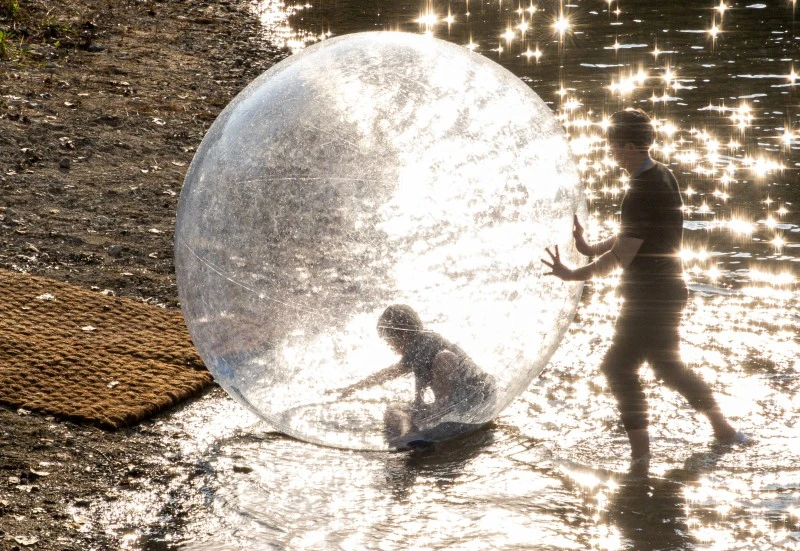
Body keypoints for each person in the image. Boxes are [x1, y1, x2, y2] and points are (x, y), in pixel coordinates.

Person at [542, 108, 743, 470]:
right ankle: (724, 430)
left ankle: (640, 461)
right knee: (667, 366)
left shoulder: (639, 191)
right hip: (668, 291)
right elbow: (632, 235)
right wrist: (590, 247)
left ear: (631, 146)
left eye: (615, 146)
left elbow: (622, 256)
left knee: (617, 369)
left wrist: (572, 274)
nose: (611, 152)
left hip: (648, 299)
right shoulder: (661, 174)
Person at [338, 304, 496, 444]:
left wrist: (353, 388)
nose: (390, 346)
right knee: (393, 409)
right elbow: (389, 373)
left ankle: (433, 423)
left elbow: (394, 373)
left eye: (389, 340)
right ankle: (410, 434)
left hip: (474, 397)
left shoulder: (428, 342)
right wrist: (354, 387)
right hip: (456, 404)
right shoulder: (415, 350)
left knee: (444, 358)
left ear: (401, 335)